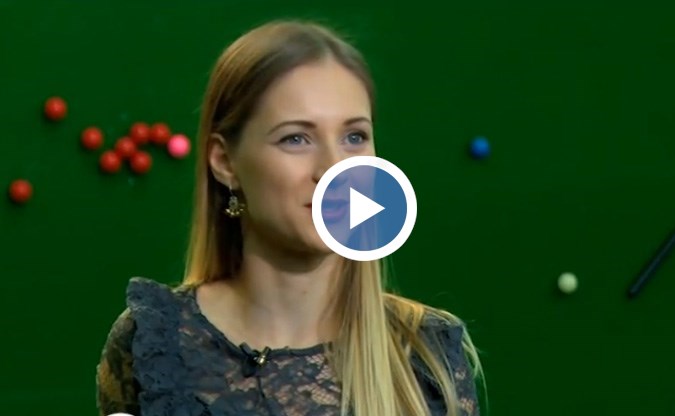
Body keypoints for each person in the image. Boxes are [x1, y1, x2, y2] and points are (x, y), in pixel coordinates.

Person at [95, 19, 486, 416]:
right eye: (296, 138)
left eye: (354, 137)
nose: (333, 169)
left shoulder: (428, 357)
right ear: (225, 162)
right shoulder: (156, 346)